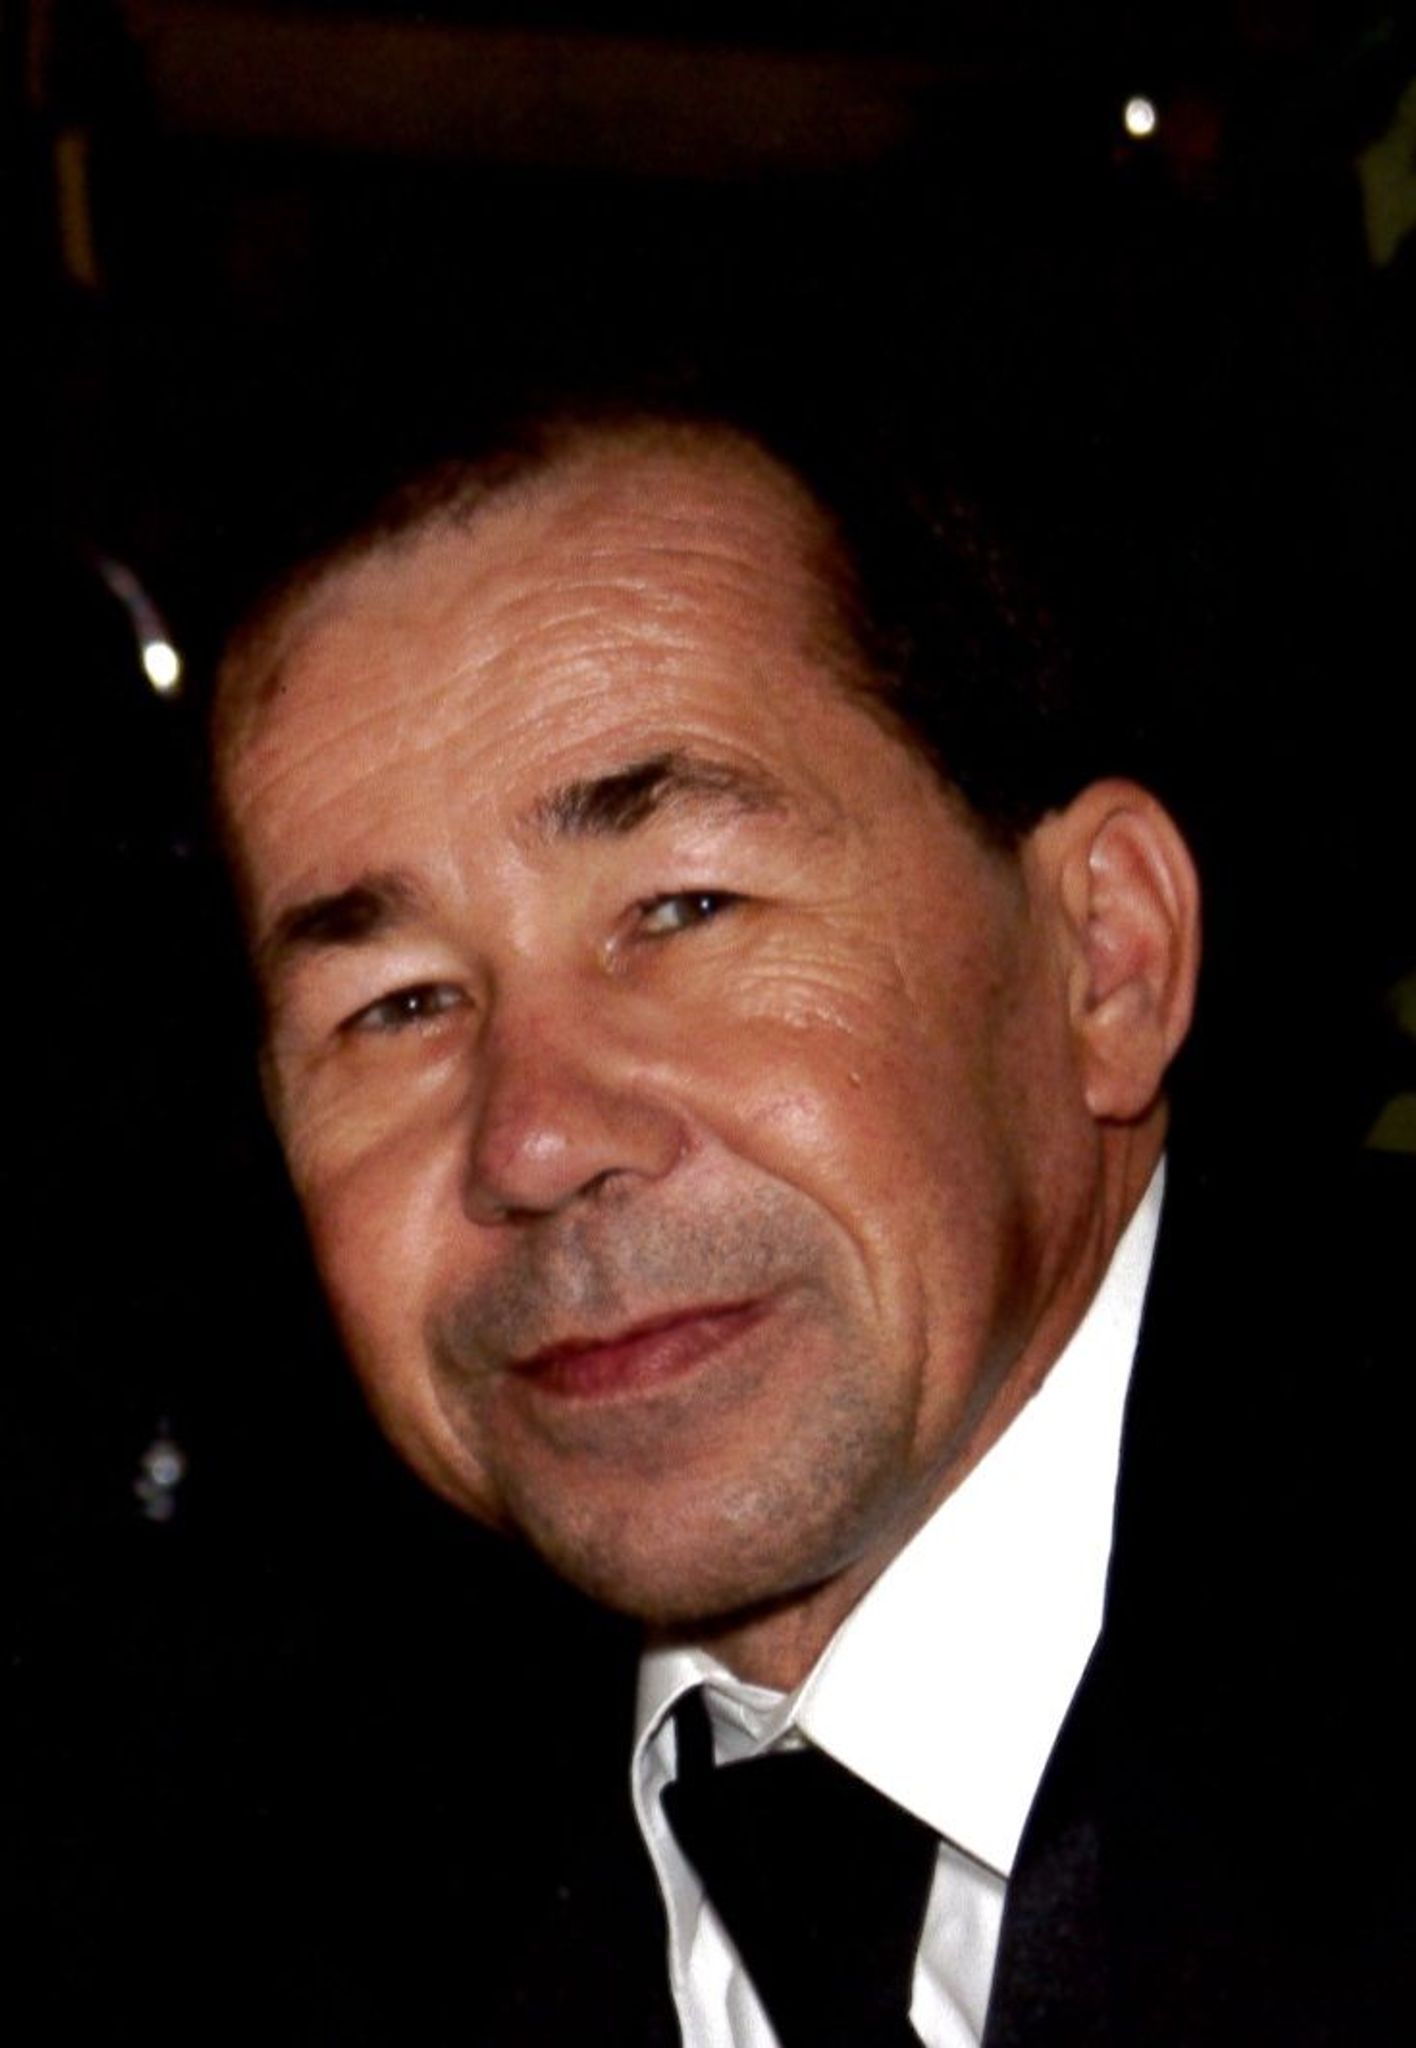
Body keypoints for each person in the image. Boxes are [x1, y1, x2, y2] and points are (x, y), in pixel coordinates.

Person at [212, 402, 1409, 2045]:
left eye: (683, 910)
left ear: (1105, 957)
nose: (534, 1139)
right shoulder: (262, 1904)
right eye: (398, 1005)